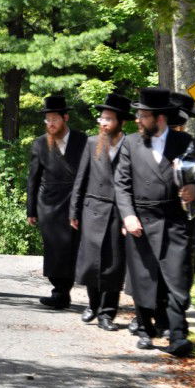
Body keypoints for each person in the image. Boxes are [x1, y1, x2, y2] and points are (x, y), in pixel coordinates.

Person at [114, 87, 195, 357]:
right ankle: (145, 328)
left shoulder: (184, 143)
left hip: (174, 219)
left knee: (177, 278)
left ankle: (178, 334)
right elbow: (122, 185)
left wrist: (192, 189)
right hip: (142, 220)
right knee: (144, 279)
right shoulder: (130, 144)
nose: (138, 119)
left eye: (144, 115)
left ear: (160, 118)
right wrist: (128, 215)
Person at [69, 93, 133, 330]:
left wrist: (130, 216)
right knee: (91, 262)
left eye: (108, 119)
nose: (103, 122)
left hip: (119, 211)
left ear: (121, 122)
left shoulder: (131, 144)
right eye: (102, 118)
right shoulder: (91, 142)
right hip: (92, 208)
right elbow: (81, 178)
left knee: (113, 264)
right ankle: (92, 305)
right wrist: (74, 210)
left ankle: (107, 313)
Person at [27, 95, 88, 310]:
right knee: (54, 250)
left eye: (54, 119)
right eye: (47, 120)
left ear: (65, 118)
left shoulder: (83, 140)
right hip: (49, 205)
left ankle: (74, 292)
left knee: (75, 248)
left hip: (76, 202)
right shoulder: (40, 144)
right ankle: (59, 292)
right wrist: (31, 210)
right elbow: (33, 179)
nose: (50, 124)